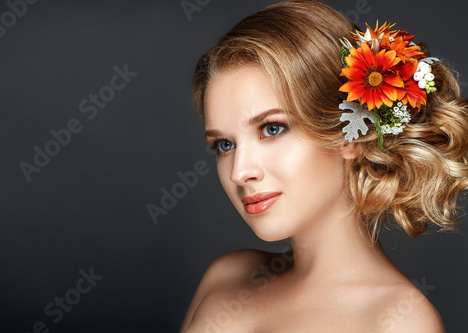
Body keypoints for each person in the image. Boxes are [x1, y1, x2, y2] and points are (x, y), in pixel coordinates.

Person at [180, 0, 468, 331]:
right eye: (224, 145)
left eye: (272, 128)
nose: (239, 172)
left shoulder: (399, 321)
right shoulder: (226, 276)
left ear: (350, 134)